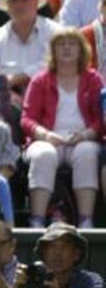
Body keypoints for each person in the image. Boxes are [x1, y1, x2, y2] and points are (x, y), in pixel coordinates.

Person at [20, 28, 102, 228]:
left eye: (72, 44)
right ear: (53, 51)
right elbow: (27, 119)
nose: (66, 48)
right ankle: (37, 220)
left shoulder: (94, 80)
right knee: (43, 155)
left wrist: (85, 134)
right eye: (61, 44)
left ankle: (86, 219)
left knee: (87, 153)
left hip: (83, 139)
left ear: (82, 50)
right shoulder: (40, 80)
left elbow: (102, 120)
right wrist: (45, 134)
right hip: (47, 139)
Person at [14, 222, 103, 288]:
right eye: (52, 246)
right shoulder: (35, 278)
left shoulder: (89, 280)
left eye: (64, 246)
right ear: (43, 254)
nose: (58, 252)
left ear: (76, 254)